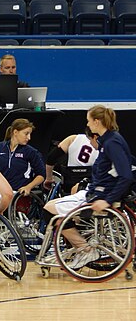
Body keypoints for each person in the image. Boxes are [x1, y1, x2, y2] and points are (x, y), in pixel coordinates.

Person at [44, 105, 134, 269]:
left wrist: (107, 201)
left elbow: (126, 176)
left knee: (49, 210)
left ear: (97, 121)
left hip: (99, 196)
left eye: (89, 121)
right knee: (61, 212)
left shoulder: (112, 142)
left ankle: (84, 249)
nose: (88, 125)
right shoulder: (109, 140)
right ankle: (79, 247)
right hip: (95, 191)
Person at [0, 118, 45, 195]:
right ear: (15, 132)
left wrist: (28, 187)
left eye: (30, 134)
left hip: (20, 194)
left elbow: (41, 175)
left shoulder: (31, 152)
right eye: (26, 134)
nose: (29, 138)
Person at [44, 127, 99, 194]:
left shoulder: (73, 138)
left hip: (71, 179)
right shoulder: (105, 143)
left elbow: (51, 158)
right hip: (90, 181)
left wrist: (49, 178)